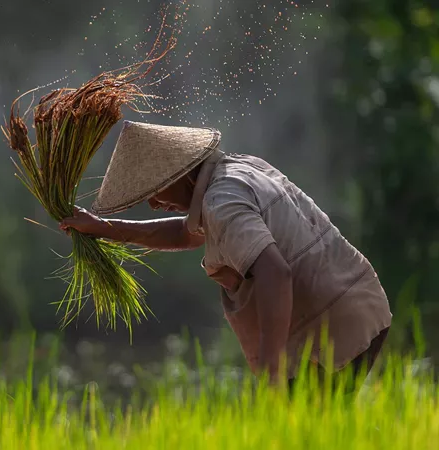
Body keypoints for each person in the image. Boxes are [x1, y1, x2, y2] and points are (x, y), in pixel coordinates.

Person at [59, 120, 392, 395]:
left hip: (330, 327)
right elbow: (183, 234)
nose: (154, 204)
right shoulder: (237, 169)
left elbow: (275, 274)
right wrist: (105, 228)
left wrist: (270, 367)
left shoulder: (221, 202)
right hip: (356, 304)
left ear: (182, 174)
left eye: (154, 191)